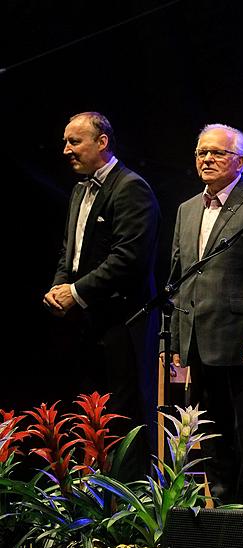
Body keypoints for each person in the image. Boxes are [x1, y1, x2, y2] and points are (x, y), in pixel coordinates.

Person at [166, 123, 243, 511]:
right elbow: (179, 278)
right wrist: (176, 340)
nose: (206, 159)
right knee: (212, 435)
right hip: (199, 342)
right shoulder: (187, 209)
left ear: (239, 161)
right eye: (202, 152)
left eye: (217, 153)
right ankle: (221, 509)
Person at [44, 112, 160, 471]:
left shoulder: (131, 187)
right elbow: (71, 250)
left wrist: (75, 291)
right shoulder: (80, 189)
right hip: (89, 321)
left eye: (74, 141)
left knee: (125, 417)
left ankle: (131, 507)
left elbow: (128, 259)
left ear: (102, 142)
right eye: (65, 141)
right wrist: (58, 287)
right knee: (89, 417)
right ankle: (92, 504)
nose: (66, 150)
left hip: (124, 322)